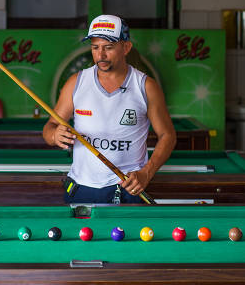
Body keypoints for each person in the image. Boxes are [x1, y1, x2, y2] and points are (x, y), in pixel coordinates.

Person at [43, 14, 176, 204]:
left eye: (109, 48)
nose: (101, 55)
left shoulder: (145, 86)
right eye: (95, 47)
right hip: (81, 188)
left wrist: (146, 173)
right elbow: (50, 127)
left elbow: (168, 135)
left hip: (127, 189)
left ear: (126, 47)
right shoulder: (76, 83)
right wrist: (54, 135)